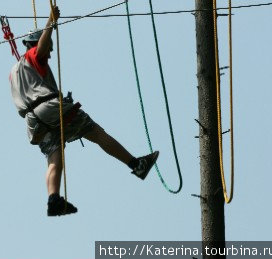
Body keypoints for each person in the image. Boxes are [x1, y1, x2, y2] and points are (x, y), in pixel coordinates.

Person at [9, 6, 159, 217]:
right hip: (49, 108)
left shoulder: (15, 71)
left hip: (33, 121)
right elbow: (42, 48)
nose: (50, 53)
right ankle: (136, 164)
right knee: (95, 133)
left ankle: (53, 199)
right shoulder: (35, 55)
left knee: (54, 157)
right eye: (49, 48)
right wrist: (51, 21)